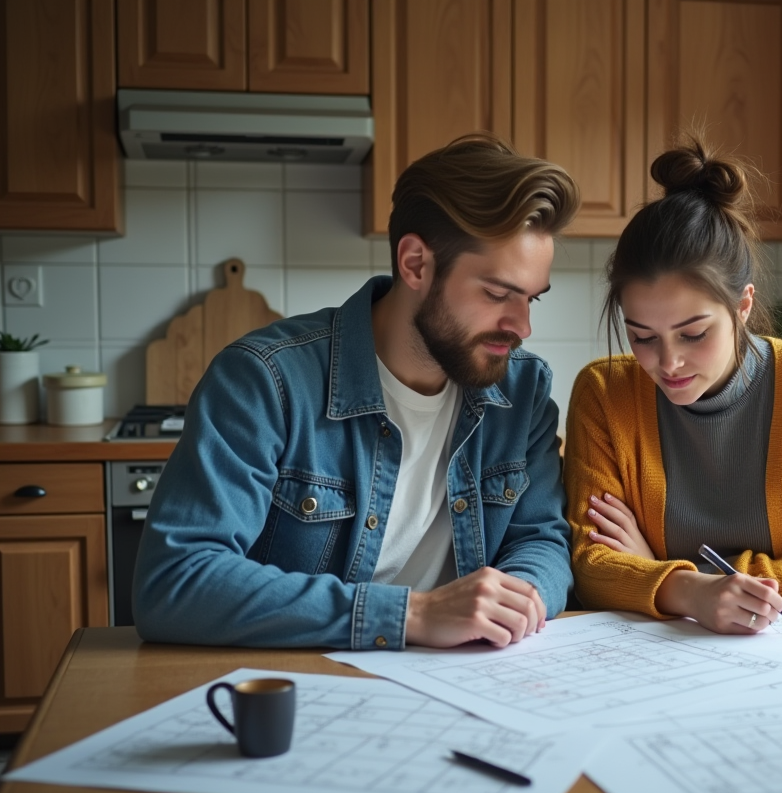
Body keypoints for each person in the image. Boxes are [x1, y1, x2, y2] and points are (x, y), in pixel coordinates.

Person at [134, 134, 581, 651]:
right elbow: (175, 580)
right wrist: (412, 614)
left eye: (532, 300)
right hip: (301, 679)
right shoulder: (264, 380)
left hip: (463, 676)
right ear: (415, 264)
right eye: (498, 293)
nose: (522, 326)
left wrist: (513, 602)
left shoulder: (523, 390)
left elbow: (541, 540)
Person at [563, 137, 782, 633]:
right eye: (643, 337)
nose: (668, 362)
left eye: (694, 334)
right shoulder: (604, 393)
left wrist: (672, 576)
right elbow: (590, 567)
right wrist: (692, 592)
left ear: (742, 307)